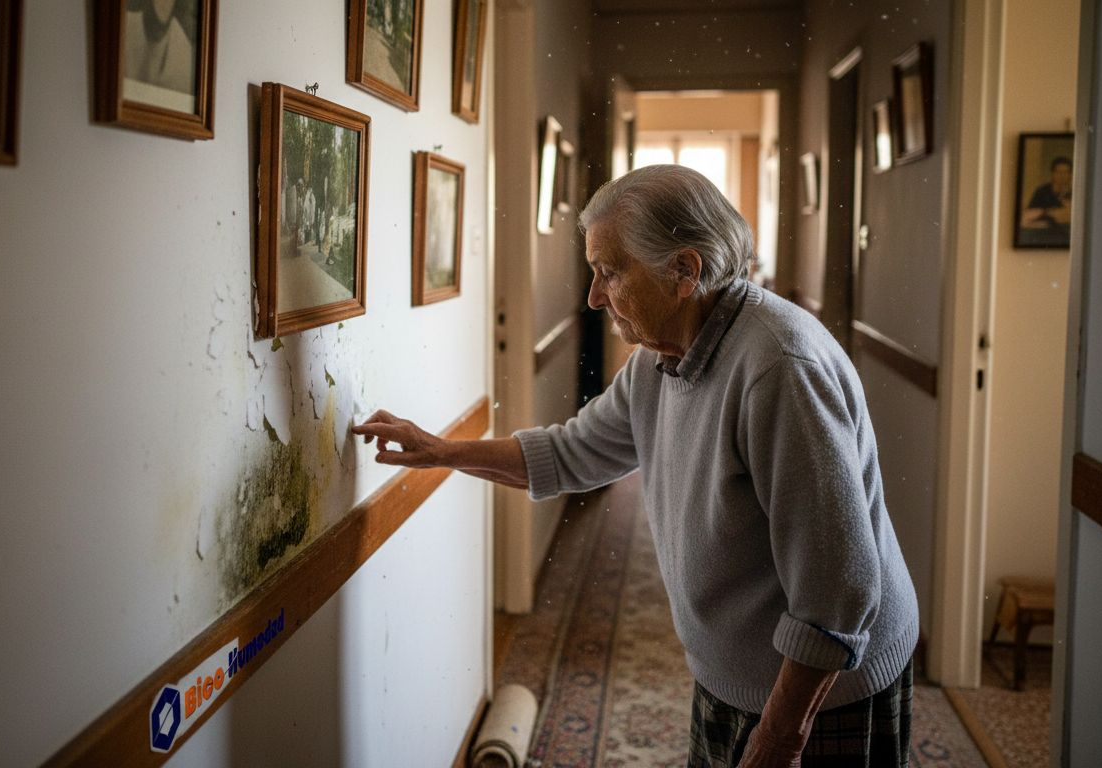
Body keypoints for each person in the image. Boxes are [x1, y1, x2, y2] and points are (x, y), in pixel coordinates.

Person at [352, 165, 919, 768]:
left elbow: (838, 590)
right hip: (734, 677)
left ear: (685, 271)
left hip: (827, 691)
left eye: (610, 272)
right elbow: (569, 452)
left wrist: (780, 736)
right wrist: (440, 450)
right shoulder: (659, 360)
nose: (594, 296)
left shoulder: (779, 369)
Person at [1019, 156, 1073, 246]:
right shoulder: (1042, 191)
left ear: (1070, 175)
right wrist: (1049, 212)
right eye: (1059, 172)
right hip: (1042, 232)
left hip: (1065, 234)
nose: (1062, 175)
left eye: (1066, 172)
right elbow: (1028, 215)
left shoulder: (1075, 192)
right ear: (1053, 173)